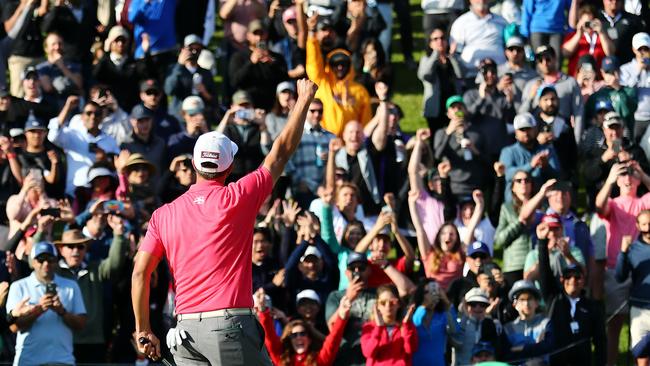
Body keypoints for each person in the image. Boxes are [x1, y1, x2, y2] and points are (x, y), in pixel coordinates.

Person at [131, 79, 318, 363]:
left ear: (193, 164)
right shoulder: (238, 197)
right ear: (230, 167)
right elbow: (279, 153)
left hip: (184, 331)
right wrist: (303, 99)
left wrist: (143, 329)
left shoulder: (163, 214)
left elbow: (140, 274)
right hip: (229, 326)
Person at [595, 160, 650, 366]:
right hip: (615, 266)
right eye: (623, 175)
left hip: (641, 269)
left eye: (631, 175)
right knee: (615, 323)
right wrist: (609, 179)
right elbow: (599, 206)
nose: (627, 179)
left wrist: (642, 174)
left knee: (641, 326)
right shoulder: (614, 203)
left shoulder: (644, 202)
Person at [6, 241, 87, 365]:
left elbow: (81, 324)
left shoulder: (71, 286)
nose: (46, 263)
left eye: (50, 259)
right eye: (41, 259)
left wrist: (62, 311)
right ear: (33, 262)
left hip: (62, 360)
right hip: (28, 361)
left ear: (56, 262)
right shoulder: (19, 286)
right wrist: (38, 311)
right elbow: (13, 327)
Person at [537, 221, 606, 366]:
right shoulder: (553, 298)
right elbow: (544, 271)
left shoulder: (592, 307)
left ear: (583, 280)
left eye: (577, 276)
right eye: (568, 276)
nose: (572, 280)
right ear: (562, 279)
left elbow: (600, 342)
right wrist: (542, 242)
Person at [306, 14, 371, 136]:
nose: (340, 67)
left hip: (351, 144)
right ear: (330, 66)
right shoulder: (321, 82)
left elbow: (365, 123)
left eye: (343, 64)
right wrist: (311, 33)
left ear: (350, 66)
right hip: (324, 139)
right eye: (336, 65)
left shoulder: (360, 91)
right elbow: (312, 61)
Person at [256, 287, 351, 366]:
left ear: (309, 339)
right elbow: (270, 338)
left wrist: (341, 317)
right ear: (289, 340)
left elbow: (333, 341)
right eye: (294, 335)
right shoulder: (282, 360)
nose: (298, 337)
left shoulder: (319, 361)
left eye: (302, 334)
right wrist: (263, 310)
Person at [499, 113, 561, 202]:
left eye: (528, 128)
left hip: (542, 204)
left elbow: (557, 176)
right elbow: (508, 174)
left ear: (535, 129)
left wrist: (546, 166)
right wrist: (531, 165)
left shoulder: (547, 150)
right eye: (522, 129)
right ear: (516, 132)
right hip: (515, 204)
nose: (526, 132)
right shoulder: (508, 152)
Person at [616, 211, 650, 366]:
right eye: (644, 224)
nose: (648, 228)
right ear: (638, 226)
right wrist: (623, 252)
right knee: (641, 357)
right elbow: (620, 276)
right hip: (639, 309)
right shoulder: (633, 249)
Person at [417, 27, 464, 134]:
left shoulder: (453, 58)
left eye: (442, 38)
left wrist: (452, 57)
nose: (440, 41)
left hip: (453, 106)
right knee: (436, 137)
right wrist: (435, 55)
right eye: (435, 39)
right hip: (435, 107)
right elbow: (425, 75)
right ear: (430, 43)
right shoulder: (426, 59)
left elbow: (460, 74)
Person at [448, 0, 507, 83]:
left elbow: (510, 46)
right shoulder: (461, 22)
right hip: (471, 76)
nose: (482, 0)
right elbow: (456, 52)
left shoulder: (502, 21)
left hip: (500, 75)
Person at [361, 285, 418, 365]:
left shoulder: (406, 326)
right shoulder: (369, 327)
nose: (388, 306)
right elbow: (368, 353)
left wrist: (406, 326)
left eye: (392, 302)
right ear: (377, 306)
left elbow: (410, 349)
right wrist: (379, 328)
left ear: (399, 304)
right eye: (383, 303)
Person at [410, 279, 460, 366]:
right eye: (427, 292)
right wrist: (424, 306)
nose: (431, 295)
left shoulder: (442, 315)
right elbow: (414, 325)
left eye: (435, 291)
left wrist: (447, 303)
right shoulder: (412, 313)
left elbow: (454, 329)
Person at [622, 32, 650, 141]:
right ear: (634, 49)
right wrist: (639, 71)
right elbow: (626, 93)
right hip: (634, 118)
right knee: (632, 148)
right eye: (640, 49)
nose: (643, 53)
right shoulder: (625, 69)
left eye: (646, 49)